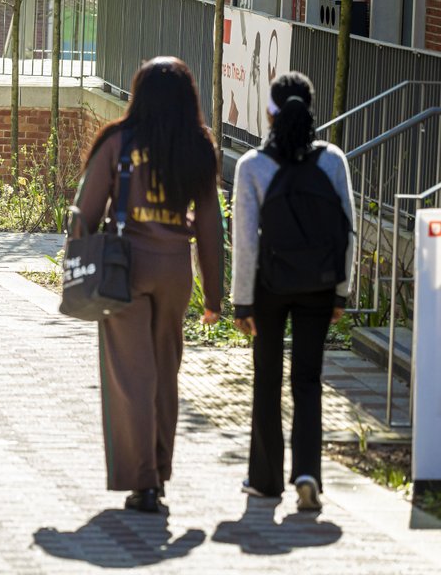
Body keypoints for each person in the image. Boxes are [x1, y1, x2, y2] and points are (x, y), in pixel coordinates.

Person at [73, 56, 224, 513]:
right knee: (164, 374)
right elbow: (211, 225)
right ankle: (160, 470)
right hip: (176, 272)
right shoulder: (199, 146)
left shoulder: (117, 141)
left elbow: (85, 211)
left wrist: (81, 271)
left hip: (125, 270)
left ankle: (144, 484)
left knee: (131, 376)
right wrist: (214, 296)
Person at [231, 71, 355, 512]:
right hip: (319, 286)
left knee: (267, 379)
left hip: (268, 287)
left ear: (269, 112)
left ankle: (265, 481)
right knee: (307, 380)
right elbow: (348, 229)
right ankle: (307, 473)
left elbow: (246, 241)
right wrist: (341, 292)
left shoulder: (252, 166)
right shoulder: (332, 160)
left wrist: (241, 301)